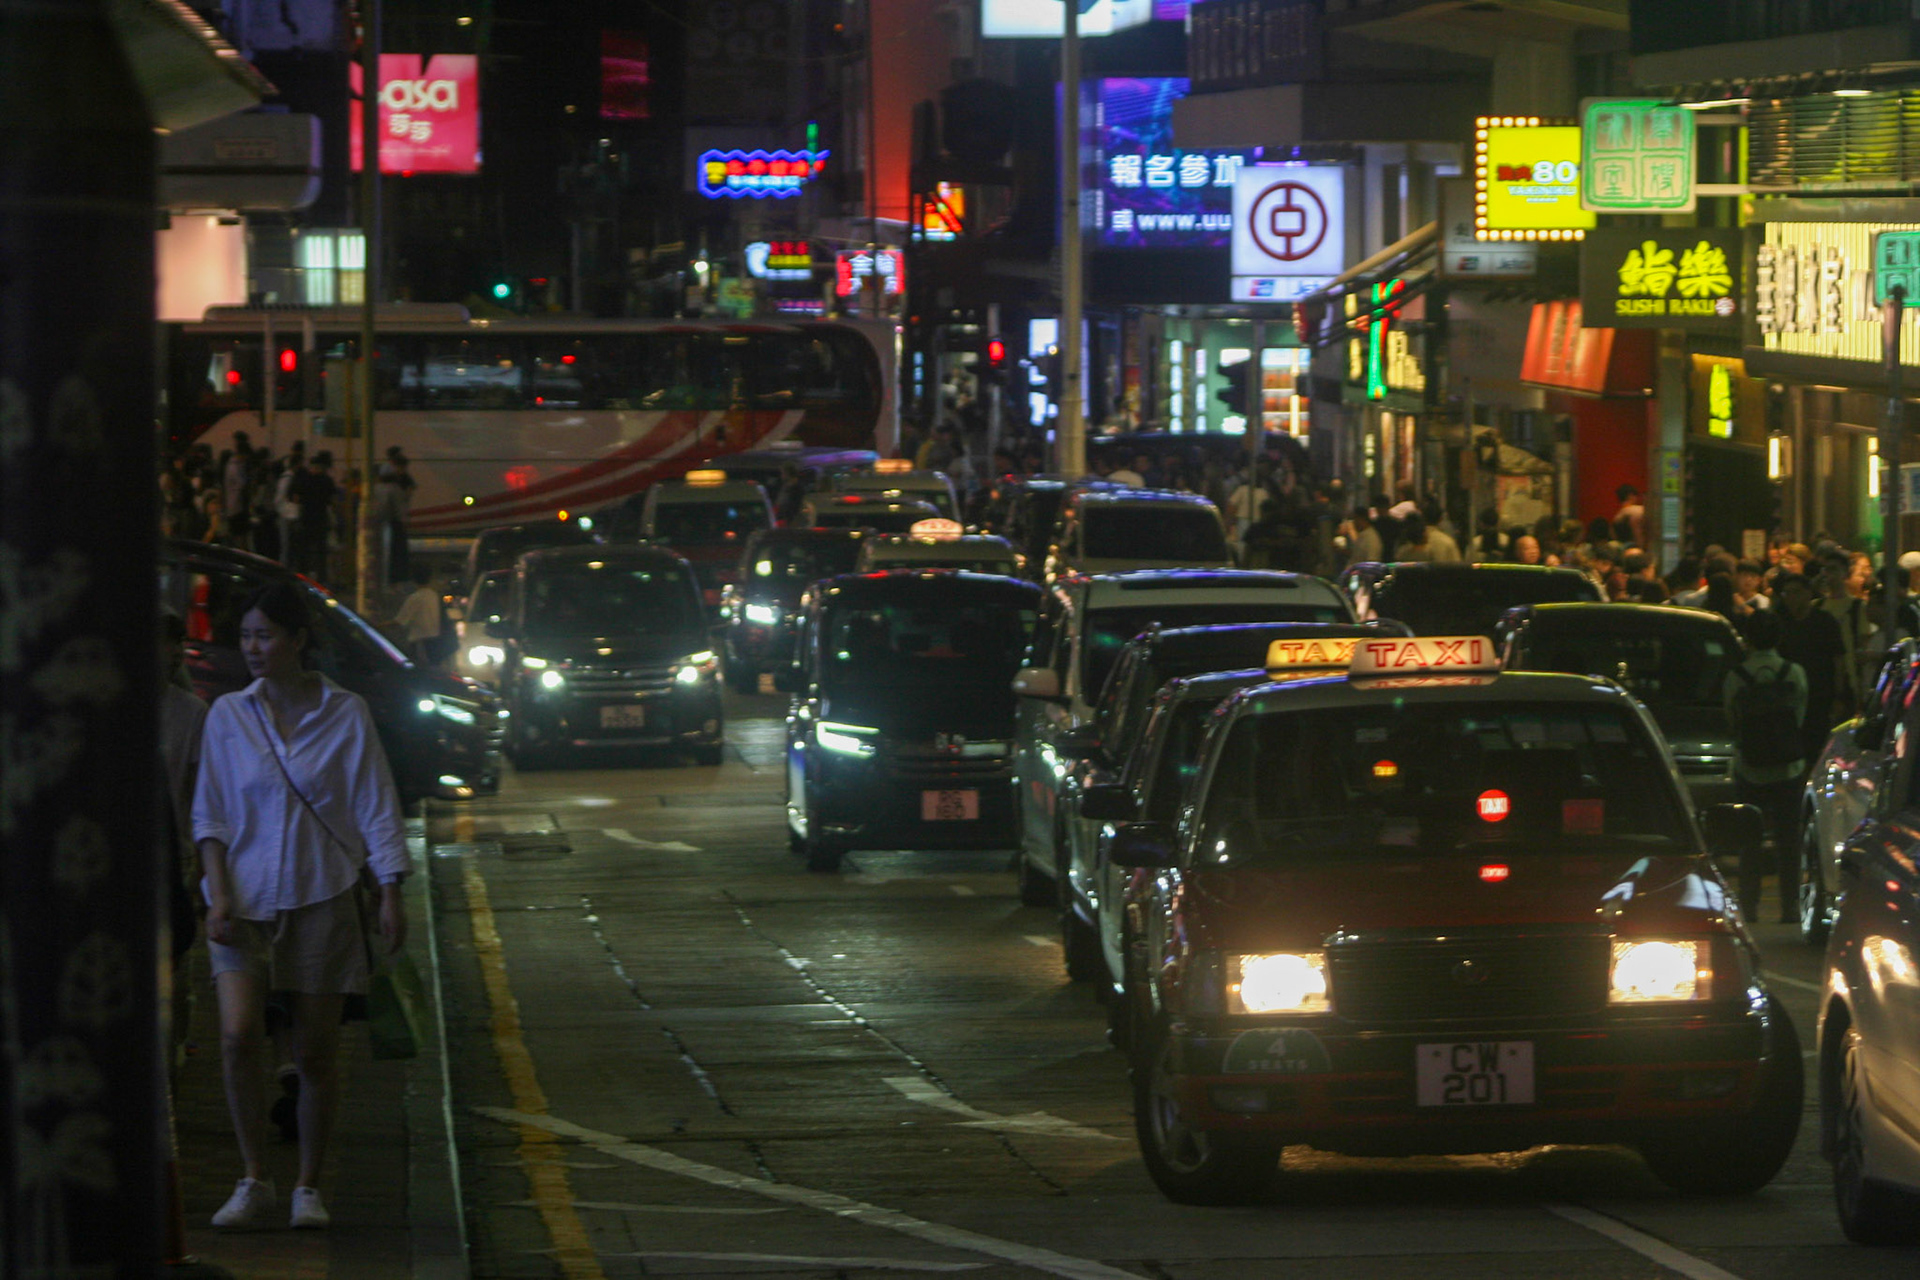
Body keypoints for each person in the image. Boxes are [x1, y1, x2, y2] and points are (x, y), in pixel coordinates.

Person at [192, 583, 410, 1231]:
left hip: (321, 895)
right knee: (237, 1037)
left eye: (266, 636)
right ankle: (254, 1176)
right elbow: (210, 814)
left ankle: (308, 1186)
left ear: (299, 641)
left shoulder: (346, 713)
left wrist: (390, 888)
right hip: (243, 900)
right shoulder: (228, 715)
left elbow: (375, 801)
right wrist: (217, 894)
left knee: (315, 1053)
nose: (253, 649)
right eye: (246, 637)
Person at [1721, 608, 1808, 923]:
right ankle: (1791, 906)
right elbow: (1799, 717)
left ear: (1747, 638)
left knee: (1750, 842)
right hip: (1789, 767)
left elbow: (1732, 721)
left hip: (1750, 768)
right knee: (1789, 840)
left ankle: (1749, 907)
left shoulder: (1736, 676)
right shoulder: (1794, 672)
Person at [1775, 572, 1849, 761]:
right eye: (1787, 593)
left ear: (1808, 593)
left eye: (1796, 592)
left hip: (1819, 694)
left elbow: (1838, 659)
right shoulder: (1781, 623)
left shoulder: (1824, 621)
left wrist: (1838, 694)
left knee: (1816, 745)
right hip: (1789, 696)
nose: (1791, 598)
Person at [288, 451, 339, 583]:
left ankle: (302, 577)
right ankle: (322, 579)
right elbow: (333, 500)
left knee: (304, 551)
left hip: (306, 519)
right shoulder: (327, 480)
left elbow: (295, 499)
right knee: (321, 552)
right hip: (321, 519)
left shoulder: (304, 480)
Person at [393, 566, 447, 667]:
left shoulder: (415, 598)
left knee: (420, 669)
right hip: (436, 642)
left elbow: (400, 621)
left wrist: (376, 626)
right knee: (433, 669)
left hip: (420, 643)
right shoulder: (435, 596)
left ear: (413, 580)